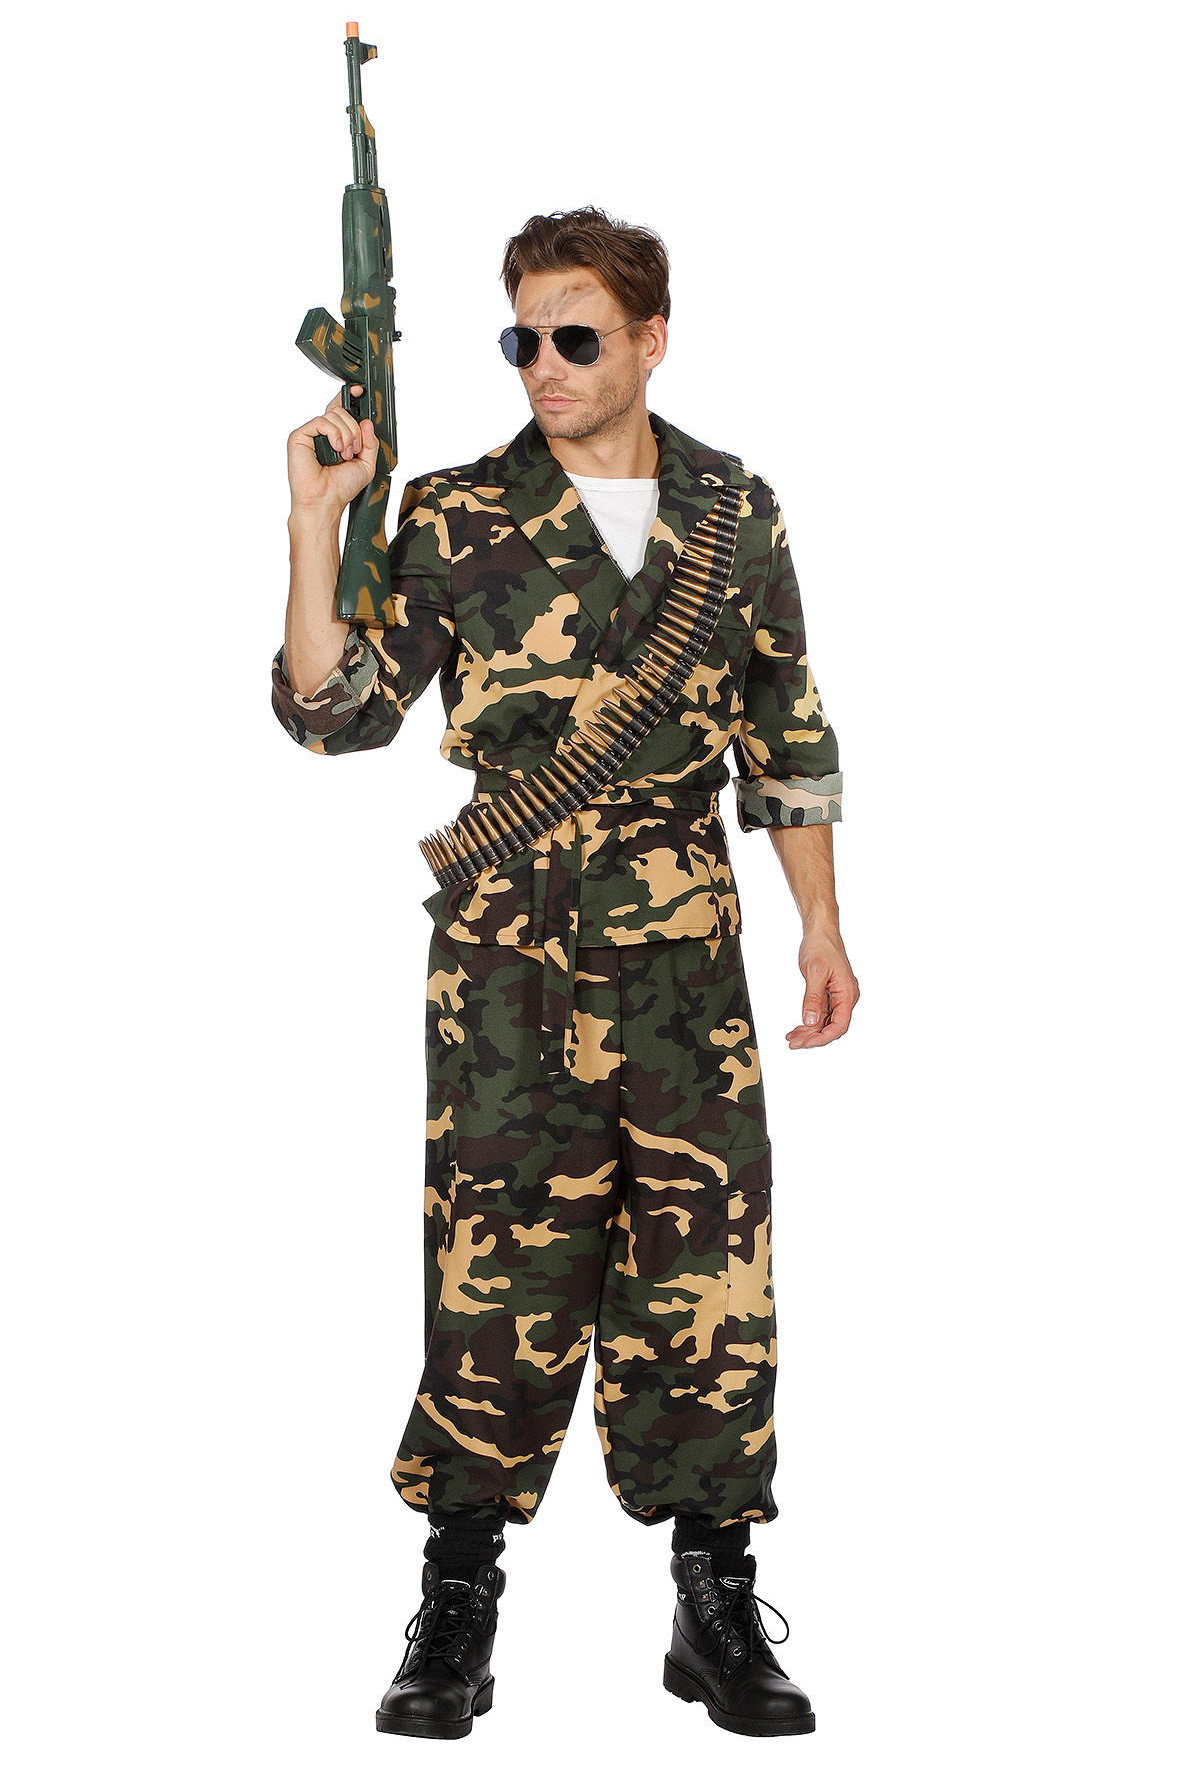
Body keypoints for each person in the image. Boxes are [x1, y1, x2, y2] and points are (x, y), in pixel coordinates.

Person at [272, 206, 859, 1741]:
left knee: (708, 1273)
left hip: (682, 952)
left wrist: (820, 927)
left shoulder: (735, 512)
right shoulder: (460, 512)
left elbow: (787, 734)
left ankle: (714, 1598)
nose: (544, 362)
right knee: (495, 1270)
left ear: (651, 340)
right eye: (522, 335)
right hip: (508, 959)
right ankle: (456, 1597)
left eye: (576, 335)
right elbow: (337, 717)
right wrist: (317, 523)